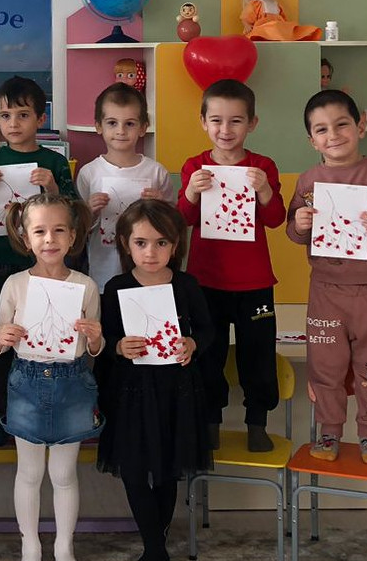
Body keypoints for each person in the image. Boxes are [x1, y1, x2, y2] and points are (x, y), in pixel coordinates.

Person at [286, 90, 367, 465]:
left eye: (341, 124)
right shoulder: (309, 181)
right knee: (325, 365)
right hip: (326, 290)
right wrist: (300, 224)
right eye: (321, 130)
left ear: (360, 126)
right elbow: (294, 233)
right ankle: (329, 430)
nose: (333, 135)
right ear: (312, 140)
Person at [97, 200, 214, 561]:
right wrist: (119, 346)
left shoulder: (186, 285)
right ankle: (155, 547)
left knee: (167, 470)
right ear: (125, 244)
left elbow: (208, 330)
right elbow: (105, 340)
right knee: (134, 472)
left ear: (175, 245)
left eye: (161, 243)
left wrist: (193, 343)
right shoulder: (116, 287)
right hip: (132, 393)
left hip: (177, 391)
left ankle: (154, 550)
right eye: (141, 243)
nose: (151, 252)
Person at [0, 194, 102, 561]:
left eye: (59, 231)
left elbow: (94, 347)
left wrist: (95, 337)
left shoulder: (85, 285)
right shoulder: (14, 284)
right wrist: (1, 338)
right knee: (29, 471)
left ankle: (64, 546)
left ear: (73, 237)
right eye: (39, 231)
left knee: (64, 473)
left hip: (72, 381)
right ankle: (31, 545)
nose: (49, 239)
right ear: (26, 238)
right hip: (26, 381)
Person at [176, 79, 286, 452]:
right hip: (206, 282)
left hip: (254, 282)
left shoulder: (262, 166)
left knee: (259, 355)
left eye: (236, 121)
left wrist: (265, 190)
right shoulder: (195, 166)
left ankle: (257, 422)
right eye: (217, 120)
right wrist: (191, 191)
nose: (226, 130)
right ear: (203, 122)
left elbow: (276, 219)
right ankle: (210, 422)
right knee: (208, 354)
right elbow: (182, 219)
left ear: (252, 123)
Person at [0, 76, 77, 445]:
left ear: (40, 118)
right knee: (0, 341)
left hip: (44, 267)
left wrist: (53, 187)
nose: (14, 123)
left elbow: (73, 214)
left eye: (23, 115)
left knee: (43, 339)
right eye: (5, 116)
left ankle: (48, 414)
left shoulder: (54, 161)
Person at [76, 82, 173, 288]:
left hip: (149, 272)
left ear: (143, 128)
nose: (120, 131)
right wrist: (89, 210)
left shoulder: (156, 172)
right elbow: (79, 229)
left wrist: (161, 205)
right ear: (99, 126)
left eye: (129, 123)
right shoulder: (89, 173)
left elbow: (172, 224)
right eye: (112, 123)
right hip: (104, 272)